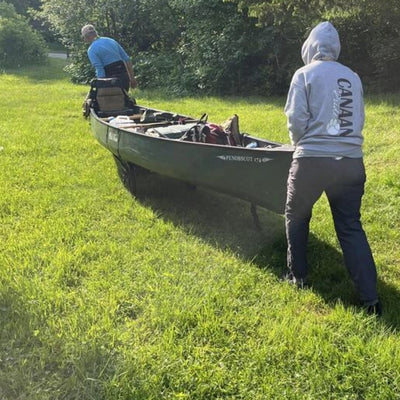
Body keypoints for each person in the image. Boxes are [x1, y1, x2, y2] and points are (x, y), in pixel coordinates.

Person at [283, 21, 381, 316]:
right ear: (335, 48)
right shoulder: (352, 76)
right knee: (350, 226)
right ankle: (371, 300)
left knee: (296, 215)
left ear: (310, 46)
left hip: (312, 160)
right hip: (351, 162)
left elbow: (296, 121)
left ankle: (297, 277)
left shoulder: (304, 75)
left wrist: (302, 144)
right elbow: (358, 119)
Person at [81, 24, 137, 92]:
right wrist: (132, 78)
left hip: (110, 79)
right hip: (123, 76)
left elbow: (100, 69)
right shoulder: (111, 41)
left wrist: (100, 86)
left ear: (87, 36)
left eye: (84, 37)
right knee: (123, 100)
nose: (84, 39)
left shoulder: (91, 50)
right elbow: (127, 59)